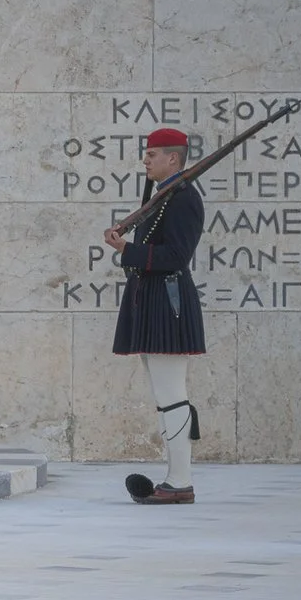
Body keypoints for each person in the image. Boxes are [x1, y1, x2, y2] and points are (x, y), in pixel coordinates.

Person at [106, 127, 204, 505]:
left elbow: (177, 257)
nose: (146, 161)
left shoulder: (183, 199)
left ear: (174, 159)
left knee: (172, 394)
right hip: (153, 300)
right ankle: (175, 478)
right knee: (165, 396)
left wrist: (126, 250)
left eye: (153, 155)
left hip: (169, 302)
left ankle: (180, 481)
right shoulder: (166, 196)